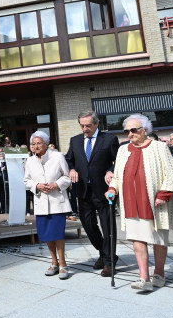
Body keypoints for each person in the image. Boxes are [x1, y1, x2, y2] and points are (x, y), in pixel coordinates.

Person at [107, 114, 173, 292]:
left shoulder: (159, 147)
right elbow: (117, 175)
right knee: (137, 239)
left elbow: (172, 172)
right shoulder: (123, 150)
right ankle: (144, 277)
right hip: (131, 202)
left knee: (158, 239)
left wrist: (164, 194)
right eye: (127, 131)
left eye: (134, 130)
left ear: (145, 130)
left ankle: (159, 273)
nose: (130, 134)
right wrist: (112, 188)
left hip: (155, 202)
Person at [65, 111, 119, 276]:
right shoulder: (75, 140)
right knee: (88, 224)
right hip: (83, 191)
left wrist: (110, 170)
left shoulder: (109, 139)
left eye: (88, 125)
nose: (85, 129)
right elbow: (69, 159)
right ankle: (103, 252)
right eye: (82, 126)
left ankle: (109, 261)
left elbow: (118, 161)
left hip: (104, 191)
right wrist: (72, 169)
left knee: (108, 226)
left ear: (96, 124)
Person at [24, 131, 72, 279]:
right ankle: (54, 262)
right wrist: (37, 186)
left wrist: (56, 184)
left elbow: (67, 177)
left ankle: (63, 264)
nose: (36, 146)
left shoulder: (58, 156)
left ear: (46, 144)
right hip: (41, 204)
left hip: (57, 202)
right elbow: (26, 181)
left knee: (58, 234)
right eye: (33, 144)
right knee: (47, 235)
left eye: (39, 143)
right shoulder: (30, 161)